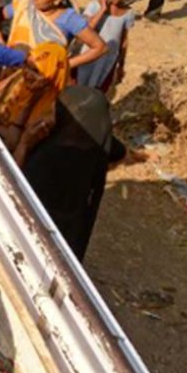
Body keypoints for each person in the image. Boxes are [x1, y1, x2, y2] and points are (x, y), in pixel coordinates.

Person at [22, 85, 115, 260]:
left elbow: (17, 185)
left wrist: (24, 144)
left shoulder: (49, 155)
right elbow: (119, 151)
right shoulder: (96, 150)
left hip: (33, 230)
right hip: (70, 234)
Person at [5, 0, 107, 69]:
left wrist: (64, 66)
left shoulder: (69, 19)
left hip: (47, 80)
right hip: (13, 71)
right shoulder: (24, 6)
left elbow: (100, 47)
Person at [0, 41, 68, 164]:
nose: (27, 73)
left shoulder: (51, 112)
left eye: (35, 71)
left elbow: (12, 143)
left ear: (51, 75)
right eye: (26, 65)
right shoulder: (20, 81)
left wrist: (31, 101)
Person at [75, 0, 135, 94]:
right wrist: (102, 10)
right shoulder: (94, 6)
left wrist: (121, 65)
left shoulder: (128, 13)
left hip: (107, 61)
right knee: (76, 90)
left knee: (96, 93)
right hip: (86, 56)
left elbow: (123, 40)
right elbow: (86, 29)